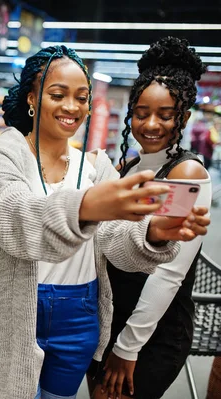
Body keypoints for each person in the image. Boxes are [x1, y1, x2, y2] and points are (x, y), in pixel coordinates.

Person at [0, 45, 210, 399]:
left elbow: (114, 240)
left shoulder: (95, 166)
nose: (72, 106)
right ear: (32, 99)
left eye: (81, 97)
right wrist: (85, 207)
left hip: (81, 313)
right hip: (19, 309)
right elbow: (9, 217)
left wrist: (153, 234)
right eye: (58, 94)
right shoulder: (9, 151)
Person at [89, 37, 212, 399]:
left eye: (165, 114)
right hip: (112, 316)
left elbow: (169, 274)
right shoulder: (130, 166)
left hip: (151, 331)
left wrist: (127, 349)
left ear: (184, 117)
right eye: (141, 113)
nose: (151, 124)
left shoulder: (186, 173)